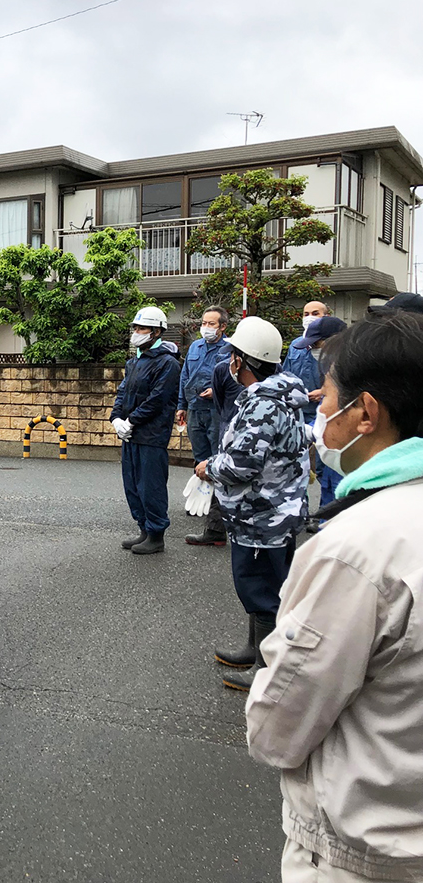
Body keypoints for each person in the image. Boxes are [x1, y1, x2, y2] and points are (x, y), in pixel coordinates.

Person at [246, 312, 423, 883]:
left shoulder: (355, 549)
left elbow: (278, 727)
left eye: (330, 399)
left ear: (366, 413)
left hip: (361, 850)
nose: (320, 411)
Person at [195, 316, 310, 691]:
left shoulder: (261, 404)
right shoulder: (286, 395)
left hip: (260, 516)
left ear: (243, 361)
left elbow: (241, 465)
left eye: (234, 355)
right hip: (280, 511)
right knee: (269, 586)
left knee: (260, 588)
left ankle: (266, 668)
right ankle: (254, 648)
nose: (230, 361)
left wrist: (207, 467)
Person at [110, 306, 180, 555]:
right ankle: (144, 528)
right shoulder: (135, 361)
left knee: (151, 486)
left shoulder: (167, 363)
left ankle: (156, 534)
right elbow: (123, 391)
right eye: (135, 328)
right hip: (132, 435)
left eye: (142, 328)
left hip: (151, 434)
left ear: (156, 331)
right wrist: (116, 418)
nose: (136, 332)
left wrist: (132, 421)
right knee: (132, 484)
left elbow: (158, 399)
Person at [176, 306, 232, 546]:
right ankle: (202, 500)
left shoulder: (230, 349)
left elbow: (233, 379)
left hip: (216, 411)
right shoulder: (196, 347)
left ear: (223, 327)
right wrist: (181, 405)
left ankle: (219, 511)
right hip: (195, 408)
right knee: (199, 456)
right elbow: (184, 375)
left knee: (216, 456)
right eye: (204, 323)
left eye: (212, 323)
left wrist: (217, 391)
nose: (206, 327)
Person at [283, 315, 347, 516]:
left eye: (317, 343)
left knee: (339, 491)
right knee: (325, 481)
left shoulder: (354, 371)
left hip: (344, 445)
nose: (313, 349)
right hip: (326, 439)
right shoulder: (330, 365)